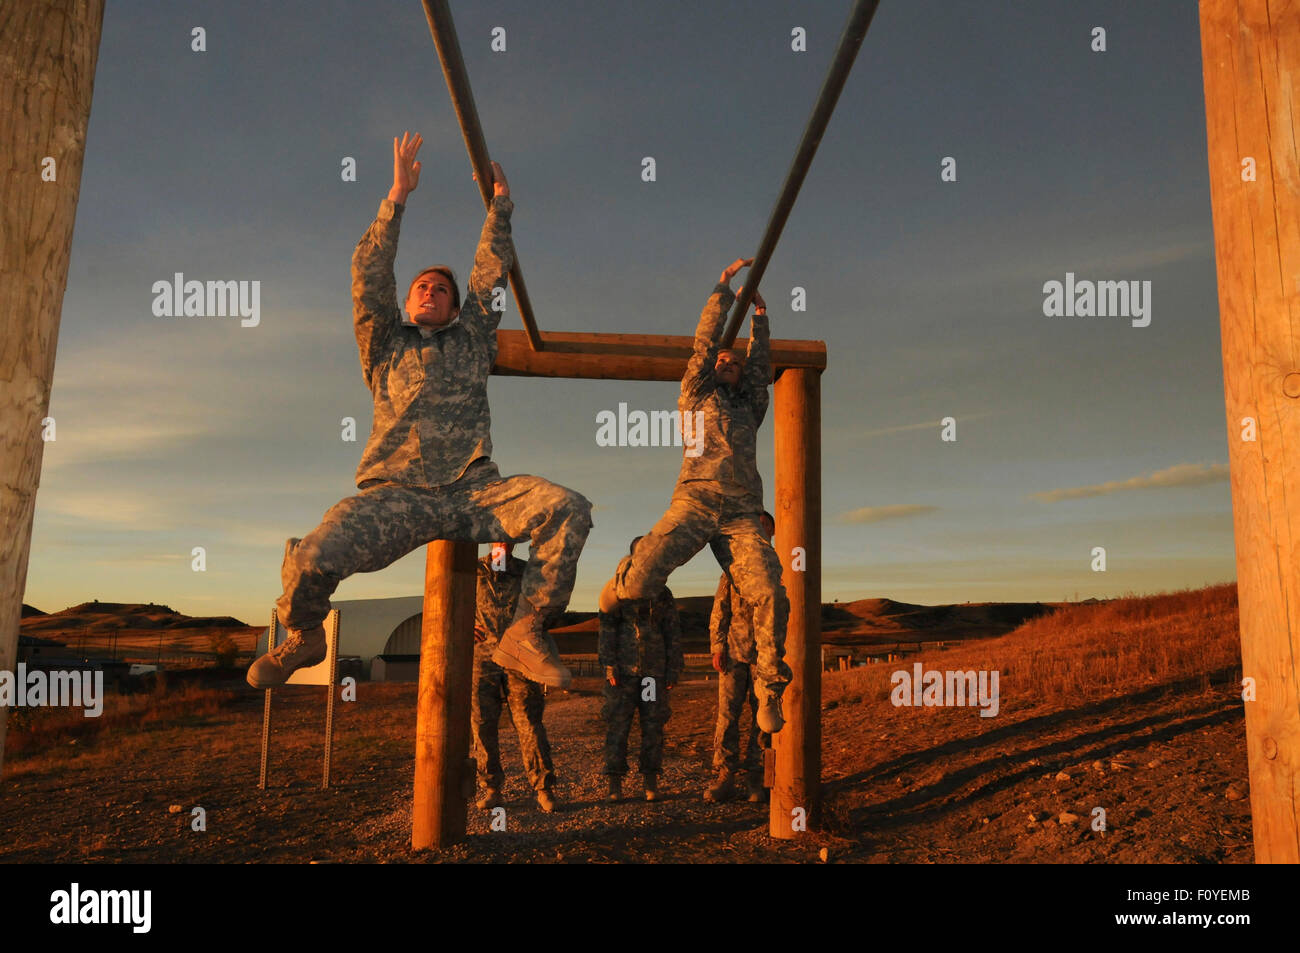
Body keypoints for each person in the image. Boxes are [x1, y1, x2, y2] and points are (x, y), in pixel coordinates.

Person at [248, 132, 591, 691]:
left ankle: (525, 632)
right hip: (396, 495)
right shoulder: (384, 343)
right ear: (407, 304)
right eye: (421, 287)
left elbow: (489, 276)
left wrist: (500, 208)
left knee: (568, 507)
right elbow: (368, 276)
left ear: (455, 310)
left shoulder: (472, 339)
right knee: (314, 553)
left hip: (473, 492)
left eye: (440, 289)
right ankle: (305, 634)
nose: (430, 291)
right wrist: (396, 196)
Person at [599, 258, 791, 733]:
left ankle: (771, 688)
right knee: (643, 581)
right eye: (722, 361)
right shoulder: (695, 396)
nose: (727, 363)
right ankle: (616, 585)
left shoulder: (750, 406)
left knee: (768, 589)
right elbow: (704, 347)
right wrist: (722, 291)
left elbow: (760, 366)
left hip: (743, 512)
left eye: (734, 362)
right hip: (695, 501)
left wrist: (761, 321)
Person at [472, 542, 557, 813]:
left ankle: (543, 788)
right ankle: (492, 788)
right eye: (497, 538)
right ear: (490, 541)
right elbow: (449, 601)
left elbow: (546, 608)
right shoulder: (474, 571)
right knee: (482, 723)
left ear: (513, 542)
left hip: (519, 655)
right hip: (482, 656)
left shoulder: (528, 572)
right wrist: (465, 625)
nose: (502, 543)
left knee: (529, 721)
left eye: (507, 538)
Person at [599, 538, 683, 803]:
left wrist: (672, 669)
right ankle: (615, 783)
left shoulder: (662, 592)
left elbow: (672, 632)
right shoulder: (618, 589)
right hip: (623, 673)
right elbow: (607, 627)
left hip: (651, 675)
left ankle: (650, 781)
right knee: (618, 727)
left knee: (652, 726)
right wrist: (610, 665)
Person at [706, 510, 776, 803]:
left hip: (768, 655)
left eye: (764, 529)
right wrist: (717, 645)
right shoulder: (734, 566)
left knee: (766, 717)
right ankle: (725, 776)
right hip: (735, 650)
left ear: (771, 533)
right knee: (728, 716)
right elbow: (720, 608)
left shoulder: (779, 567)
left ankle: (758, 779)